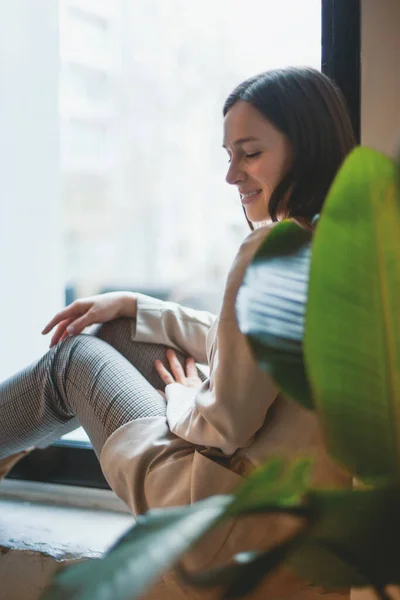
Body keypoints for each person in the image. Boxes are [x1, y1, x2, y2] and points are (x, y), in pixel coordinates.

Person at [0, 67, 356, 599]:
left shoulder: (271, 249)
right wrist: (136, 306)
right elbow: (250, 348)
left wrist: (180, 394)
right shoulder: (345, 250)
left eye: (250, 153)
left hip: (222, 525)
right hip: (298, 542)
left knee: (75, 360)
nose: (232, 176)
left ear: (305, 148)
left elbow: (224, 424)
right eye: (228, 155)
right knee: (120, 328)